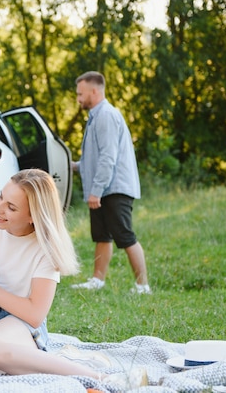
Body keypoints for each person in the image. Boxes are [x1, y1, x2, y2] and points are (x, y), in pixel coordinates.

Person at [0, 169, 148, 389]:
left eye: (11, 207)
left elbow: (34, 314)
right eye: (1, 196)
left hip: (21, 324)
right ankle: (31, 364)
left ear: (32, 216)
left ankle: (101, 377)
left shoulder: (45, 250)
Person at [70, 71, 151, 294]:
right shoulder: (95, 117)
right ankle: (97, 280)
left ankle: (142, 286)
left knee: (125, 236)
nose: (78, 98)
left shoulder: (105, 115)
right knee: (102, 236)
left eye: (80, 93)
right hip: (103, 188)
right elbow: (94, 160)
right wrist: (73, 166)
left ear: (94, 91)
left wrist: (95, 191)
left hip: (114, 188)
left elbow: (108, 157)